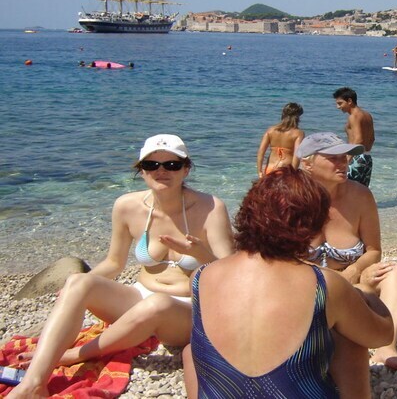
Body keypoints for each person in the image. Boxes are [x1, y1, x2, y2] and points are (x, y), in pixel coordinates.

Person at [8, 134, 234, 398]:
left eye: (172, 165)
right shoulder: (127, 206)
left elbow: (231, 274)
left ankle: (72, 355)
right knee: (78, 281)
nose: (161, 171)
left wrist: (200, 253)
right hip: (137, 299)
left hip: (187, 311)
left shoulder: (210, 207)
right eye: (151, 165)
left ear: (186, 170)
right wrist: (73, 291)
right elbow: (114, 263)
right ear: (141, 171)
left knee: (158, 303)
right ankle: (33, 384)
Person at [183, 168, 393, 399]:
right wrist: (366, 292)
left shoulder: (201, 277)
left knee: (191, 351)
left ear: (246, 213)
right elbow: (382, 335)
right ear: (315, 225)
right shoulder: (323, 283)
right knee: (350, 338)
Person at [297, 132, 397, 397]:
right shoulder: (292, 199)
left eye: (345, 156)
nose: (344, 162)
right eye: (334, 157)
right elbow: (279, 258)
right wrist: (335, 280)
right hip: (308, 285)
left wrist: (355, 270)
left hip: (354, 281)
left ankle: (387, 347)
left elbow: (374, 250)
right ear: (307, 163)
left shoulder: (360, 196)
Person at [332, 87, 375, 187]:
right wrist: (365, 154)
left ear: (349, 101)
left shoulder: (354, 116)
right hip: (367, 157)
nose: (338, 107)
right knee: (361, 191)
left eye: (340, 103)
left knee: (347, 189)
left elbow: (359, 139)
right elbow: (372, 139)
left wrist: (347, 159)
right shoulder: (367, 115)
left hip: (356, 157)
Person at [256, 102, 305, 178]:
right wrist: (293, 174)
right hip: (286, 170)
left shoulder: (270, 130)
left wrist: (259, 171)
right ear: (297, 117)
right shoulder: (298, 133)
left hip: (270, 169)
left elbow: (261, 152)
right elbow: (297, 155)